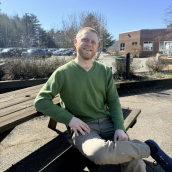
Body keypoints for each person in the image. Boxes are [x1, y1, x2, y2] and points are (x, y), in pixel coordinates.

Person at [34, 27, 172, 172]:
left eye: (93, 42)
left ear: (97, 47)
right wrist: (70, 119)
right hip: (83, 129)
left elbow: (113, 102)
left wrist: (119, 127)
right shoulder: (62, 73)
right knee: (98, 153)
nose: (89, 44)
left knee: (135, 162)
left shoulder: (104, 71)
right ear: (75, 42)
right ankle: (150, 148)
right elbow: (41, 101)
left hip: (107, 123)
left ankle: (146, 149)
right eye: (85, 40)